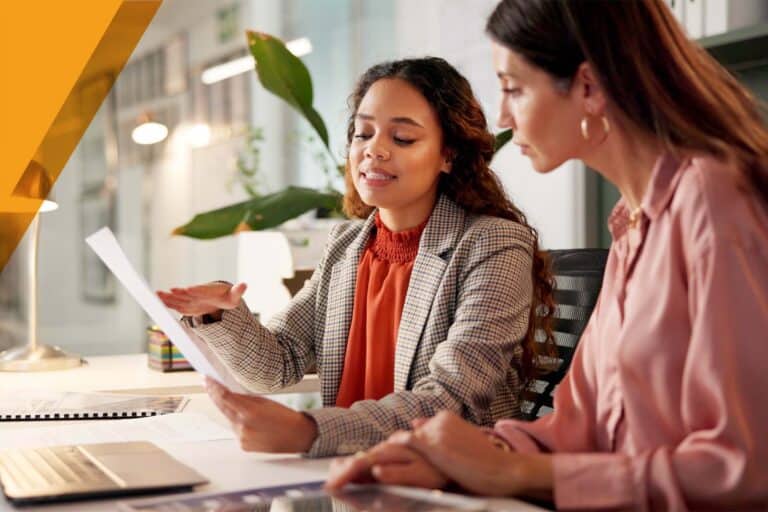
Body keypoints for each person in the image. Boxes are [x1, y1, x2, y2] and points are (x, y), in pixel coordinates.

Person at [326, 0, 768, 509]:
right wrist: (457, 456)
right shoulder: (633, 224)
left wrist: (514, 470)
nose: (504, 115)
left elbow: (745, 467)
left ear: (588, 87)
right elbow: (580, 426)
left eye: (513, 87)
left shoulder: (714, 202)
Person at [158, 57, 554, 458]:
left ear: (447, 155)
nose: (373, 150)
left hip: (445, 484)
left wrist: (307, 431)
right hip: (351, 479)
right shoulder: (346, 245)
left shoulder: (493, 244)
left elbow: (449, 400)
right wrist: (220, 312)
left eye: (402, 138)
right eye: (363, 133)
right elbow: (279, 364)